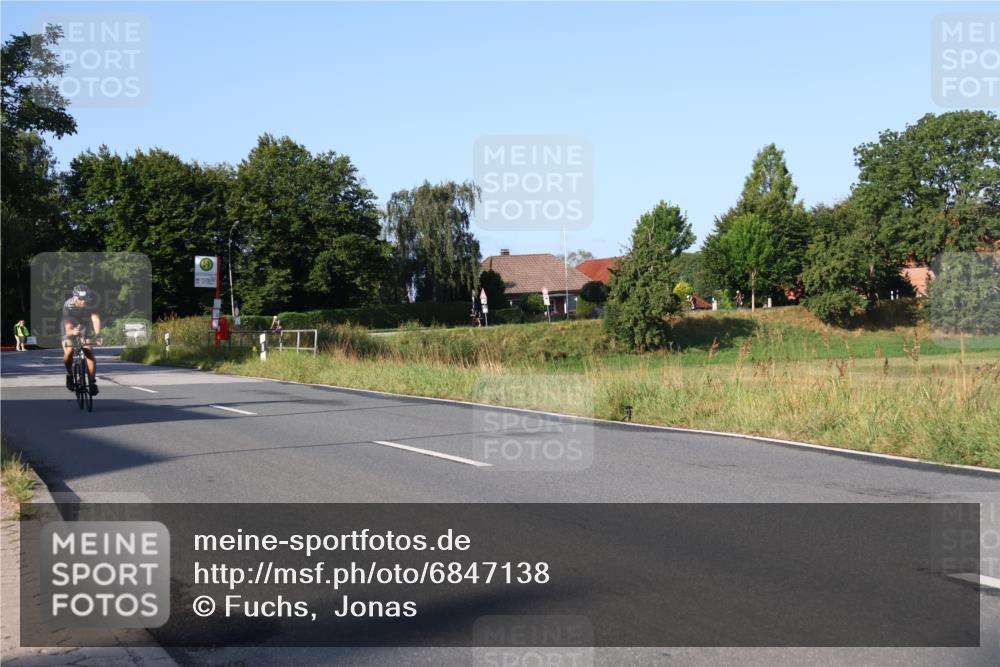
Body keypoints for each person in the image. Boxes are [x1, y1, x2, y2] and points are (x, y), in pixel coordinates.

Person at [62, 284, 102, 395]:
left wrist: (98, 335)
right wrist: (72, 332)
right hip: (69, 325)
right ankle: (70, 374)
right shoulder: (68, 305)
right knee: (69, 351)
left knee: (88, 351)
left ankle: (92, 382)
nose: (83, 301)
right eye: (80, 299)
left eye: (85, 298)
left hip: (84, 325)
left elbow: (95, 319)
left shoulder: (91, 304)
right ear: (74, 297)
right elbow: (68, 327)